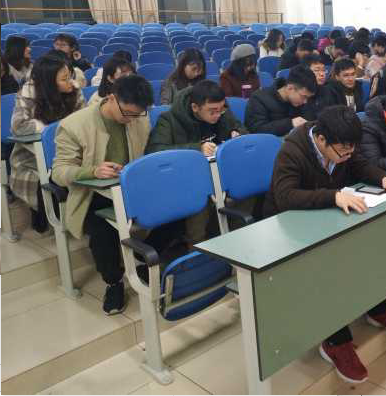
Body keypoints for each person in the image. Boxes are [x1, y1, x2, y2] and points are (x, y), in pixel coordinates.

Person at [262, 105, 386, 384]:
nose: (347, 156)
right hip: (289, 226)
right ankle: (336, 340)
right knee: (327, 268)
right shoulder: (292, 150)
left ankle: (377, 308)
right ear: (321, 140)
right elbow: (285, 196)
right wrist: (333, 196)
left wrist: (382, 177)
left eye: (351, 149)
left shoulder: (343, 143)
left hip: (324, 218)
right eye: (342, 152)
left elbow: (358, 163)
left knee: (367, 249)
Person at [52, 75, 179, 315]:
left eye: (137, 115)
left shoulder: (139, 119)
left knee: (179, 207)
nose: (131, 119)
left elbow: (146, 154)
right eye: (127, 113)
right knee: (102, 229)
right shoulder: (74, 125)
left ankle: (142, 258)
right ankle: (113, 282)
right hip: (93, 193)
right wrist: (92, 171)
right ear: (111, 98)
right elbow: (59, 171)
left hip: (132, 187)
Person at [146, 80, 246, 242]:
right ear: (195, 107)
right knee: (201, 195)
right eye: (212, 111)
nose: (218, 115)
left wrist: (237, 133)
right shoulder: (169, 120)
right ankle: (197, 246)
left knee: (245, 185)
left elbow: (241, 128)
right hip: (186, 178)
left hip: (219, 172)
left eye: (221, 109)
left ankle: (238, 235)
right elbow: (154, 151)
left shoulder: (222, 112)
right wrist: (197, 148)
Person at [9, 54, 85, 233]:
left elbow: (84, 119)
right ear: (49, 83)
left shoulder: (73, 90)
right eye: (64, 79)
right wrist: (50, 130)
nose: (70, 82)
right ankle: (44, 211)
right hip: (32, 158)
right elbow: (18, 126)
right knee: (50, 184)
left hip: (69, 150)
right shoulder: (29, 91)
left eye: (70, 76)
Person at [244, 65, 317, 136]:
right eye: (304, 96)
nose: (305, 101)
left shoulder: (302, 102)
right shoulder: (258, 99)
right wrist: (290, 123)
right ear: (290, 88)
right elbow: (257, 130)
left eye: (308, 98)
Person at [302, 54, 335, 120]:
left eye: (323, 70)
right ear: (305, 72)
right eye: (317, 70)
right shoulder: (300, 93)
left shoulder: (328, 90)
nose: (322, 74)